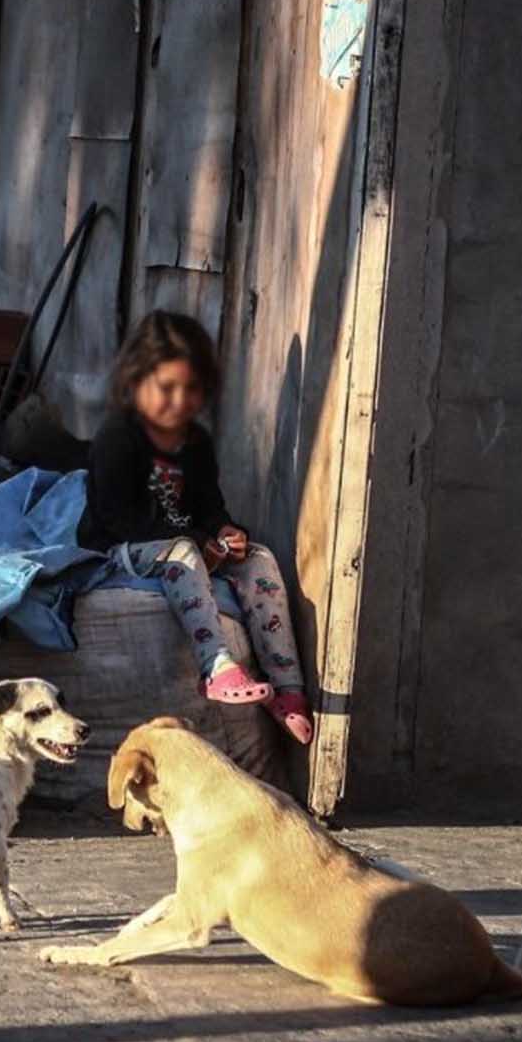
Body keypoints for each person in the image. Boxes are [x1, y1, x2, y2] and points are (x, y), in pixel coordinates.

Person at [75, 309, 313, 745]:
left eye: (192, 389)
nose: (179, 401)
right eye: (166, 388)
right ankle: (218, 666)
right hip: (123, 547)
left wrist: (225, 532)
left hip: (192, 545)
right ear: (135, 382)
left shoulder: (196, 443)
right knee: (182, 550)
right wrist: (199, 544)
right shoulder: (118, 438)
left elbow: (209, 505)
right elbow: (116, 517)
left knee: (259, 558)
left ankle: (289, 691)